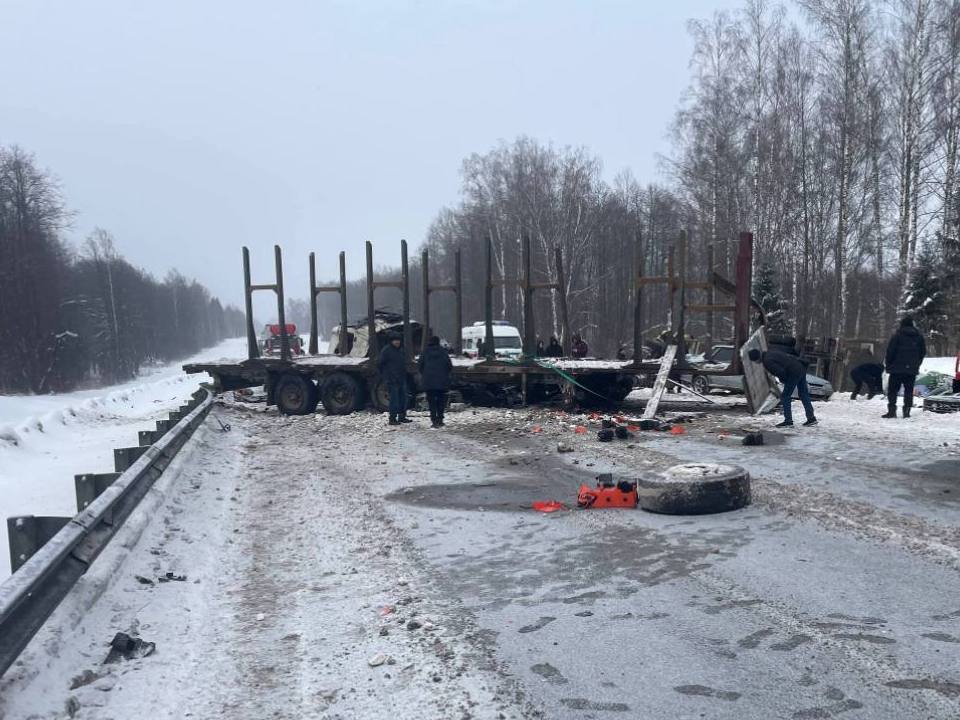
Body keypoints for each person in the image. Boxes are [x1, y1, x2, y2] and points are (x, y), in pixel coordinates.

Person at [747, 347, 818, 428]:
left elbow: (780, 372)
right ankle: (811, 418)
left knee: (785, 396)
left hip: (793, 372)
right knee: (803, 394)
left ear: (756, 359)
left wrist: (784, 381)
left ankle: (788, 421)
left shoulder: (767, 361)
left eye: (754, 361)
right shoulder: (770, 353)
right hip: (800, 367)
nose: (756, 363)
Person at [883, 316, 926, 418]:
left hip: (896, 369)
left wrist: (889, 365)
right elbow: (922, 352)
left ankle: (892, 410)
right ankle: (906, 411)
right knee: (908, 390)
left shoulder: (897, 335)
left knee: (893, 390)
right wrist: (916, 364)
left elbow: (890, 351)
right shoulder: (919, 337)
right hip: (911, 369)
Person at [418, 336, 453, 428]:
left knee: (431, 402)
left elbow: (420, 365)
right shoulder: (443, 352)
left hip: (429, 381)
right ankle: (440, 420)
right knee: (441, 401)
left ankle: (434, 421)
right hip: (442, 381)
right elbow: (449, 365)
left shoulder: (425, 352)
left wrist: (425, 374)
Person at [378, 334, 410, 425]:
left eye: (398, 340)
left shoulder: (401, 350)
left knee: (403, 399)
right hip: (391, 379)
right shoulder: (386, 350)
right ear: (391, 341)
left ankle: (402, 417)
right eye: (395, 340)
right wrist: (386, 376)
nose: (397, 342)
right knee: (394, 400)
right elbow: (380, 364)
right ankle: (392, 419)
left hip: (401, 378)